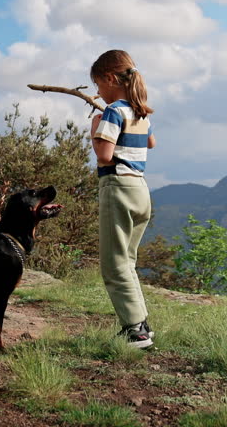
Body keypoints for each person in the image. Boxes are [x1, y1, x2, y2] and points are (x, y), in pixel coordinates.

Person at [89, 49, 156, 349]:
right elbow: (151, 142)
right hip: (140, 189)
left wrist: (95, 131)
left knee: (114, 265)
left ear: (110, 78)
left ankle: (135, 331)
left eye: (99, 86)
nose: (98, 93)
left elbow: (104, 156)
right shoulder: (139, 110)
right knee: (127, 261)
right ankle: (140, 323)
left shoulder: (114, 111)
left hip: (117, 187)